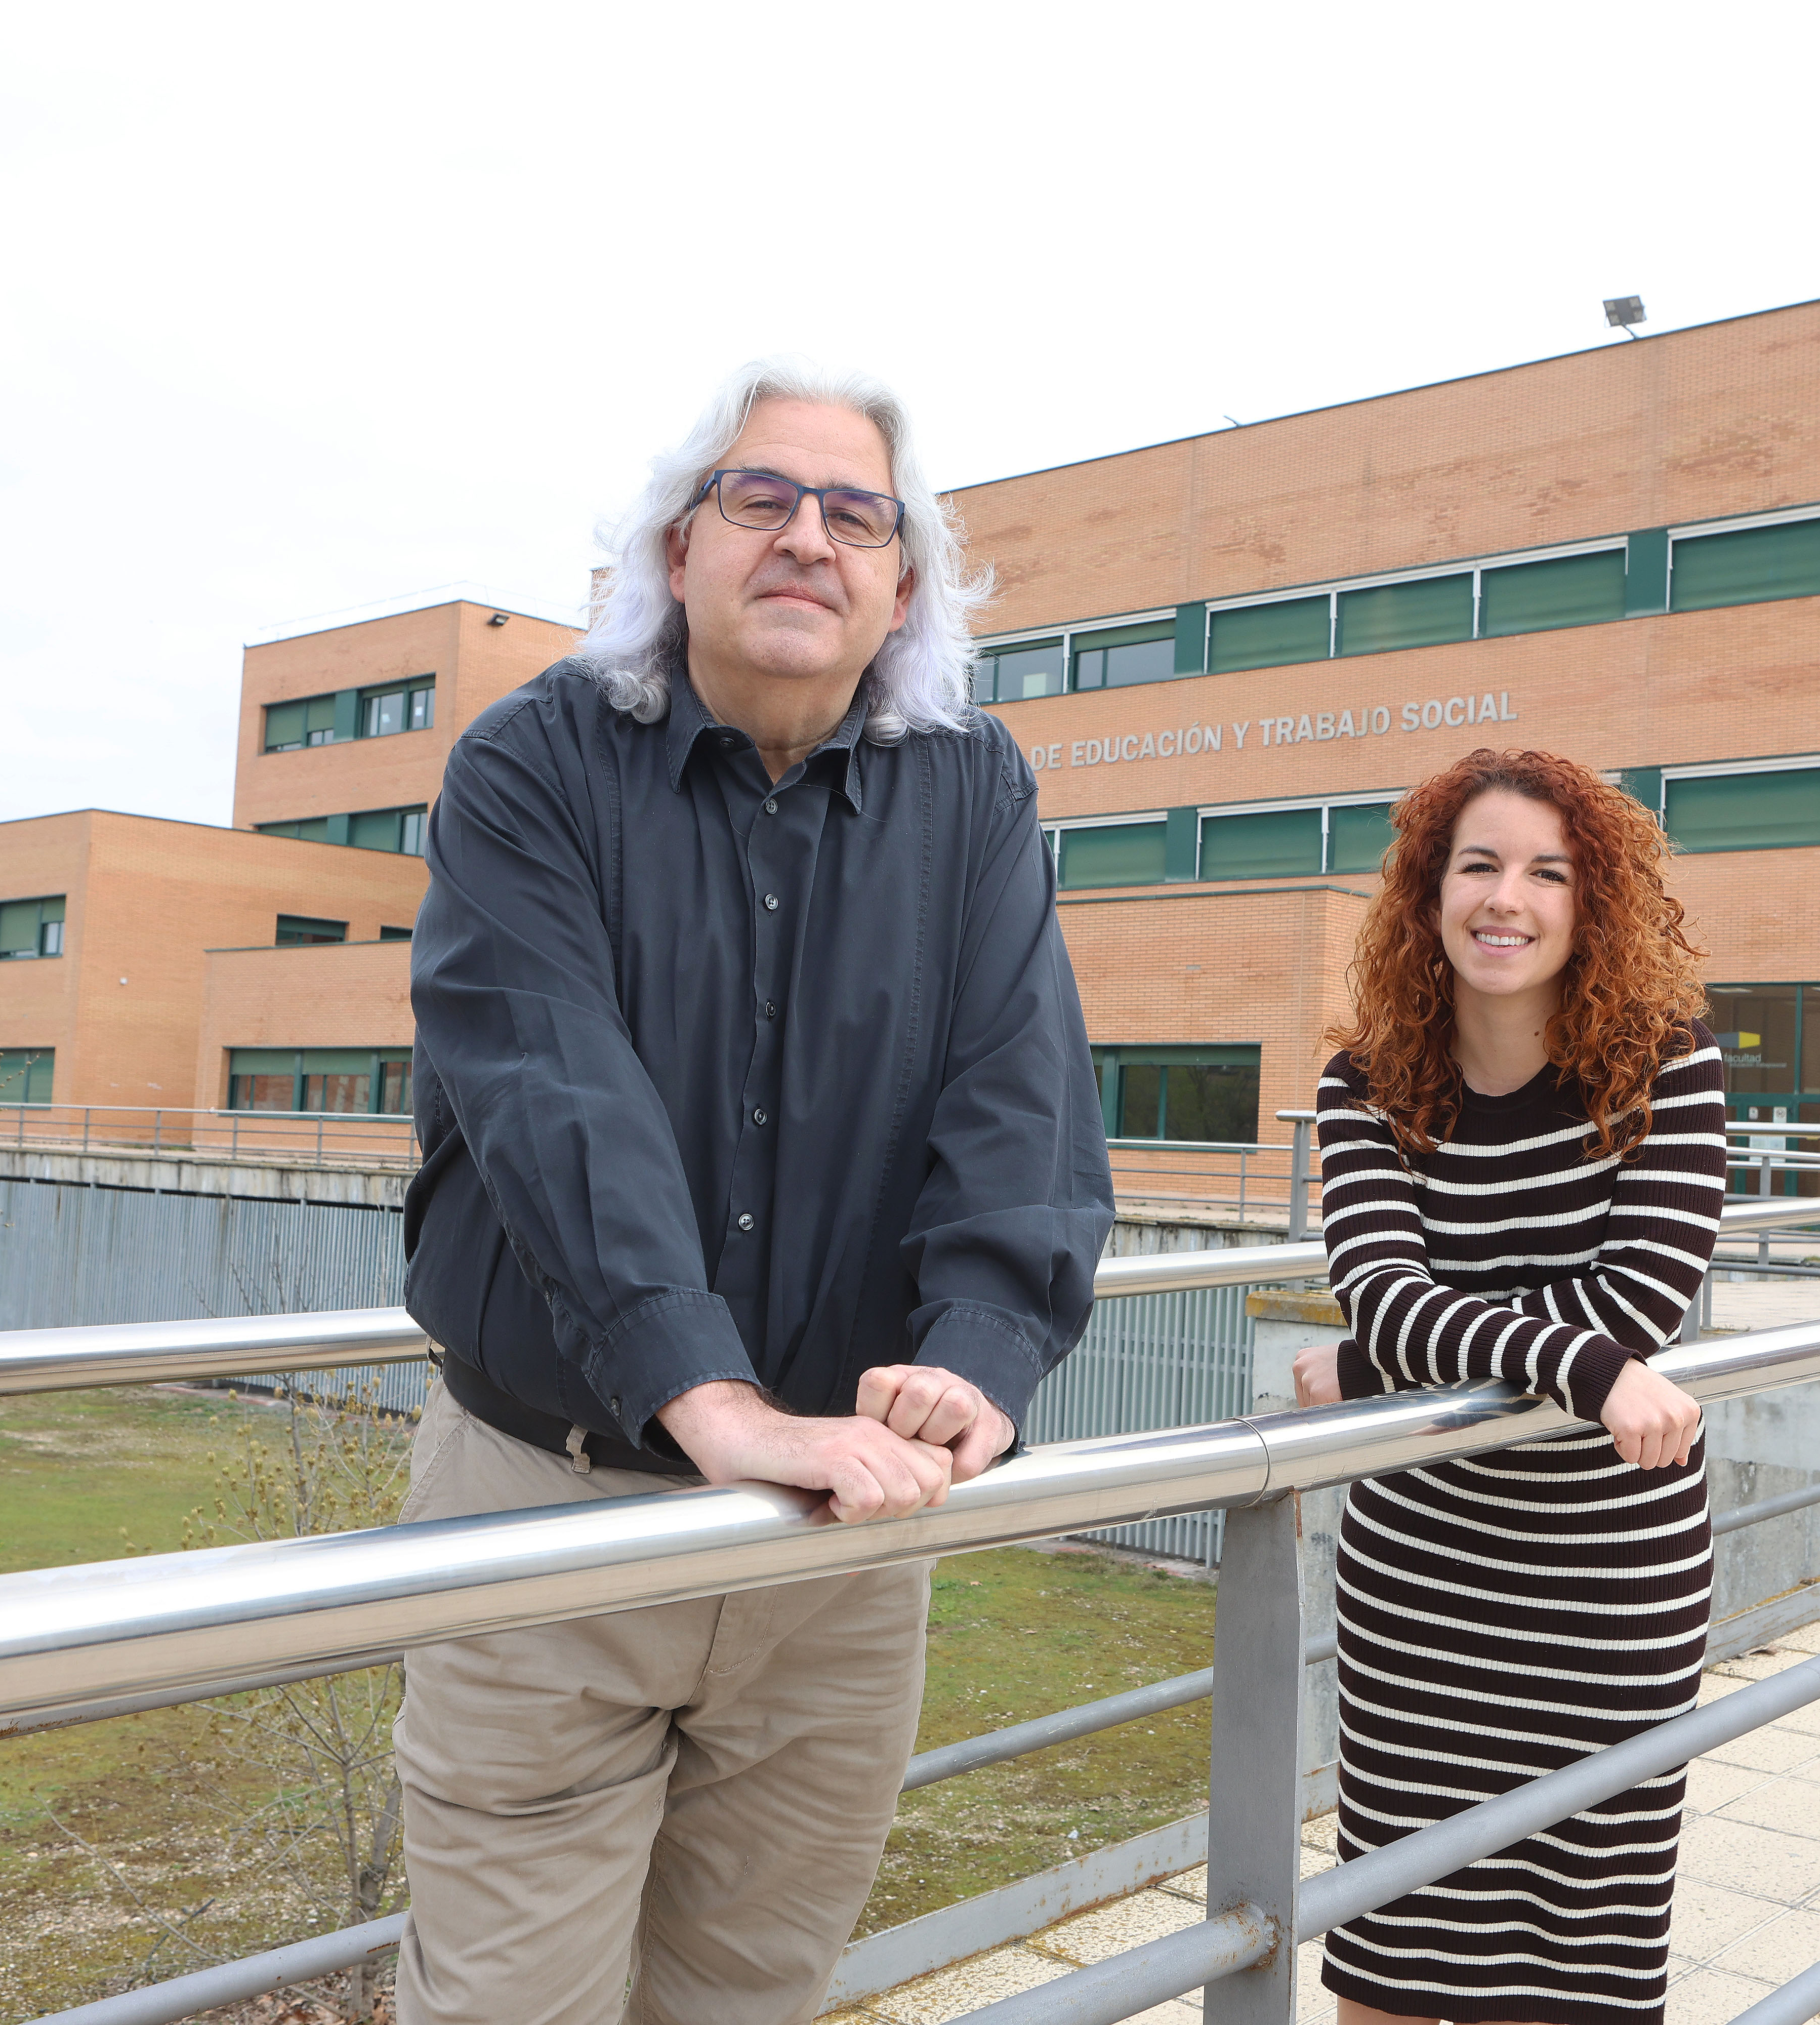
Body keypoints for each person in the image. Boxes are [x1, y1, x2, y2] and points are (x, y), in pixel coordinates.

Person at [391, 359, 1113, 2025]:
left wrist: (985, 1353)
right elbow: (554, 1094)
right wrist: (706, 1394)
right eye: (760, 500)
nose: (808, 538)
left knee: (750, 2002)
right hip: (546, 1524)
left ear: (902, 586)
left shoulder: (971, 793)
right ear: (675, 553)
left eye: (855, 514)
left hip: (833, 1561)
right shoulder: (529, 771)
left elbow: (1024, 1095)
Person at [1289, 747, 1729, 2025]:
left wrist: (1381, 1367)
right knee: (1392, 1941)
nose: (1508, 896)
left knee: (1582, 1958)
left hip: (1607, 1589)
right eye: (1478, 863)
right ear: (1429, 894)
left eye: (1548, 871)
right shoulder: (1365, 1084)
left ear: (1590, 903)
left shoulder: (1666, 1064)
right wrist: (1587, 1369)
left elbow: (1637, 1301)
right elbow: (1386, 1292)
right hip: (1423, 1583)